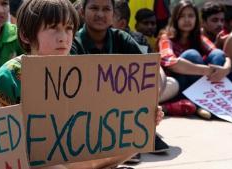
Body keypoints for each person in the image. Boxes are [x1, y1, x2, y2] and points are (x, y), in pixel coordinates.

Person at [0, 0, 163, 168]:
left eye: (69, 28)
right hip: (35, 161)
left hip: (76, 156)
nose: (63, 38)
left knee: (132, 146)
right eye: (53, 28)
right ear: (25, 34)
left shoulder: (80, 70)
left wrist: (145, 119)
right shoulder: (8, 76)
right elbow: (4, 145)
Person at [71, 0, 169, 163]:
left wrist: (150, 107)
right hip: (86, 114)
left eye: (106, 9)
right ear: (82, 11)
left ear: (113, 14)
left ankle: (136, 134)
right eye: (94, 8)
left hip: (121, 113)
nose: (100, 14)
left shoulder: (122, 38)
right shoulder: (74, 43)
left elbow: (145, 73)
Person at [158, 0, 231, 118]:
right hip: (178, 85)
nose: (187, 20)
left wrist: (226, 69)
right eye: (182, 16)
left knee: (217, 54)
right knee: (191, 55)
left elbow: (222, 56)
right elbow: (171, 63)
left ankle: (206, 102)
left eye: (191, 16)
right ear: (175, 19)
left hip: (201, 84)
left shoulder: (199, 37)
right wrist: (207, 70)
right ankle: (200, 104)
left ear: (196, 19)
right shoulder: (166, 37)